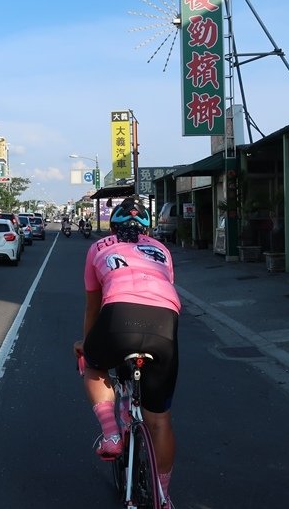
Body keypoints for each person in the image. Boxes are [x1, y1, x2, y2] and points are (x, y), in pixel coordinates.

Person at [73, 196, 180, 507]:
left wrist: (86, 341)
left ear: (113, 224)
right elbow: (164, 294)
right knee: (159, 420)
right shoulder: (161, 250)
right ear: (147, 227)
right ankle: (163, 496)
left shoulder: (99, 247)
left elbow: (93, 307)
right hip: (164, 327)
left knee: (91, 362)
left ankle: (110, 432)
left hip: (117, 319)